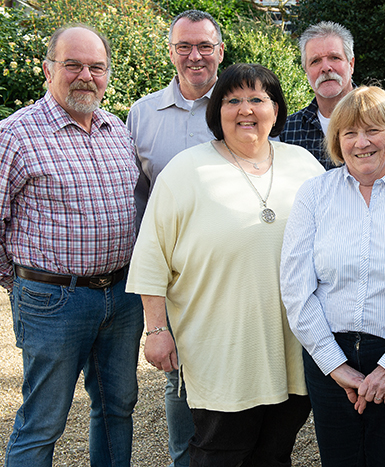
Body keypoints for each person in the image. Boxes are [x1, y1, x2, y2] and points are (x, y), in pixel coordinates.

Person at [126, 63, 324, 466]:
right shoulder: (186, 170)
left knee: (274, 451)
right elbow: (152, 255)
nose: (245, 109)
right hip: (221, 347)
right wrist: (157, 330)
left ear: (276, 109)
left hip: (291, 343)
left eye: (257, 99)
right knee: (220, 452)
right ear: (216, 111)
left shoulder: (303, 165)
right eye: (233, 100)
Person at [280, 85, 385, 466]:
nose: (362, 143)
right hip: (330, 353)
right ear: (337, 140)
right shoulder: (314, 194)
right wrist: (334, 364)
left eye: (373, 130)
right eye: (349, 133)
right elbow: (295, 286)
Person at [0, 25, 143, 466]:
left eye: (96, 66)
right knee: (43, 420)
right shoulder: (15, 135)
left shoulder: (115, 129)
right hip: (53, 300)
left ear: (107, 74)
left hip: (121, 296)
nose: (86, 75)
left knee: (117, 409)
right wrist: (22, 283)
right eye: (73, 65)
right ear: (48, 70)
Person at [126, 10, 224, 467]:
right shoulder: (142, 114)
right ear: (171, 52)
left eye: (204, 45)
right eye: (184, 46)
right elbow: (138, 199)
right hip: (172, 273)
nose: (195, 55)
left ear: (220, 51)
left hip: (228, 268)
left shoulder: (240, 108)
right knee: (178, 375)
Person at [278, 21, 385, 171]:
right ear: (306, 72)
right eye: (315, 61)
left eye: (334, 57)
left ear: (351, 65)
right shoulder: (288, 129)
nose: (326, 68)